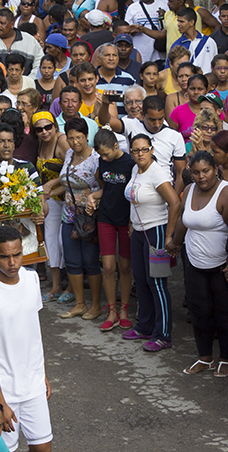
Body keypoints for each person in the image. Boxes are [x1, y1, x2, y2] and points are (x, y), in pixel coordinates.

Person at [0, 225, 53, 452]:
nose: (12, 263)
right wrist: (0, 402)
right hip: (3, 391)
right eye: (4, 257)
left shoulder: (32, 279)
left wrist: (42, 374)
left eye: (17, 255)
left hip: (34, 385)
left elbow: (34, 332)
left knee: (43, 447)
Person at [168, 152, 228, 377]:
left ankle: (226, 359)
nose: (201, 177)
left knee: (225, 314)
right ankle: (205, 358)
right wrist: (175, 243)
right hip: (194, 264)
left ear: (215, 169)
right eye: (196, 172)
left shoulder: (226, 193)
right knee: (199, 312)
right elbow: (183, 221)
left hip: (221, 266)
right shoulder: (188, 191)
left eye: (206, 171)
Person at [122, 133, 181, 352]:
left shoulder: (158, 173)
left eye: (144, 149)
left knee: (157, 282)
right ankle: (145, 326)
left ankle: (163, 334)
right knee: (141, 279)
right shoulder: (135, 169)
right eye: (136, 150)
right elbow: (134, 198)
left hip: (156, 230)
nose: (140, 154)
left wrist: (169, 235)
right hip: (138, 231)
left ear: (152, 150)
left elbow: (175, 203)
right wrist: (131, 222)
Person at [42, 117, 102, 321]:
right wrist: (49, 190)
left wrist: (93, 198)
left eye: (79, 138)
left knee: (91, 262)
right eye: (71, 138)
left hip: (88, 217)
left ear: (87, 136)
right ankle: (79, 304)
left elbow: (104, 187)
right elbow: (67, 183)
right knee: (73, 260)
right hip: (68, 214)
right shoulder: (68, 154)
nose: (75, 142)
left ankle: (95, 305)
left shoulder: (95, 158)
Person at [92, 128, 136, 331]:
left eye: (106, 153)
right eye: (100, 154)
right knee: (108, 266)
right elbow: (105, 185)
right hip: (106, 217)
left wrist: (132, 221)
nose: (103, 157)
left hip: (126, 218)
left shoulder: (130, 164)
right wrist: (93, 197)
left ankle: (125, 309)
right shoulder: (103, 162)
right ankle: (111, 310)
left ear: (116, 146)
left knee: (125, 266)